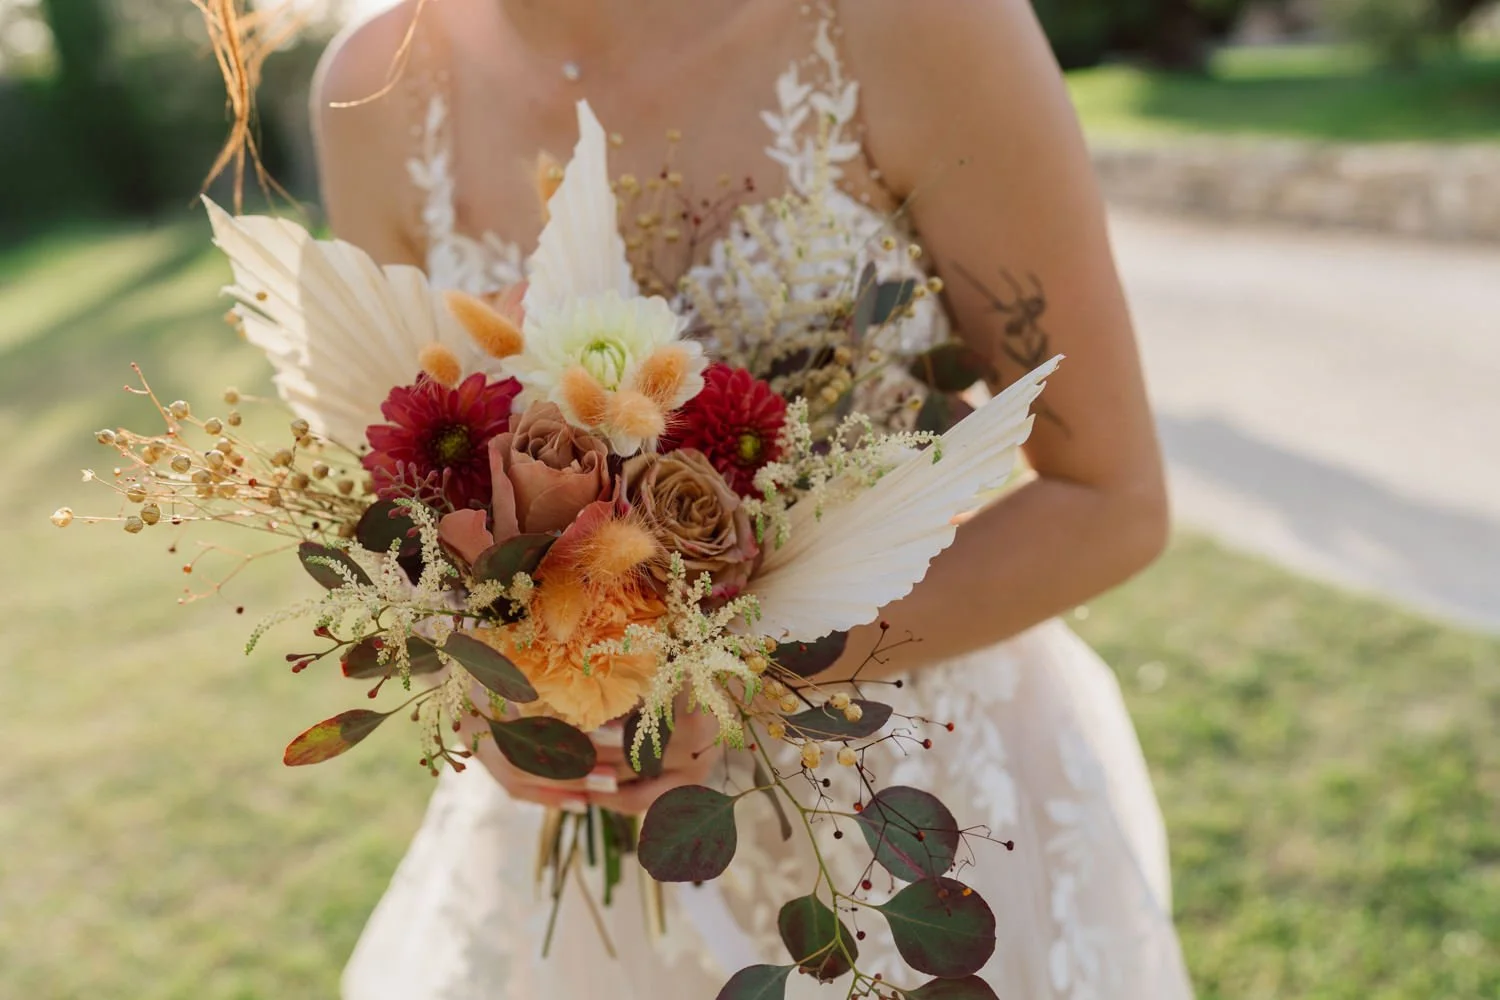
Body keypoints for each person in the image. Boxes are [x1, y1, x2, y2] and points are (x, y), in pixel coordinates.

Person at [312, 1, 1193, 996]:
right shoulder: (374, 92)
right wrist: (494, 685)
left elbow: (1110, 498)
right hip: (591, 873)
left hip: (903, 816)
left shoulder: (915, 24)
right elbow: (423, 517)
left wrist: (717, 675)